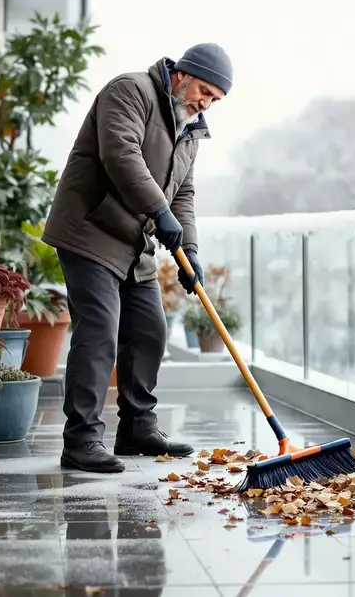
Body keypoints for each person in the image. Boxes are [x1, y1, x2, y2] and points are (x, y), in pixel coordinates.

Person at [40, 43, 233, 473]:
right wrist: (158, 212)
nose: (206, 103)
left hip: (133, 241)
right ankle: (82, 439)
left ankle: (137, 428)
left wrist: (191, 250)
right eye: (204, 90)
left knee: (149, 330)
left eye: (215, 99)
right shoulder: (131, 91)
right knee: (100, 330)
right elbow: (120, 155)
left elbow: (183, 193)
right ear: (182, 75)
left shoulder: (190, 129)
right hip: (89, 230)